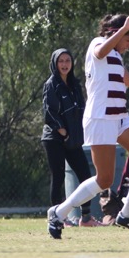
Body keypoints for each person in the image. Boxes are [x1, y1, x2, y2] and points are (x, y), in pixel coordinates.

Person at [46, 13, 129, 239]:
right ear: (116, 34)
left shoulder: (117, 57)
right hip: (100, 119)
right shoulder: (98, 44)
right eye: (128, 39)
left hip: (120, 117)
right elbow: (100, 52)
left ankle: (127, 213)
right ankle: (58, 213)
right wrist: (124, 28)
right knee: (104, 180)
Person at [41, 48, 103, 227]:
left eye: (68, 60)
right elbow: (49, 112)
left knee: (85, 174)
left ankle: (86, 218)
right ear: (55, 63)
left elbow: (83, 108)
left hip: (73, 139)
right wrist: (62, 131)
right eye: (61, 61)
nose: (64, 64)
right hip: (54, 139)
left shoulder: (75, 84)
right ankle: (57, 217)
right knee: (58, 176)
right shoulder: (51, 84)